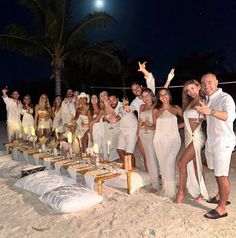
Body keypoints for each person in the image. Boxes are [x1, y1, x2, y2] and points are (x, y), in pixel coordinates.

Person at [196, 73, 236, 219]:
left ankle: (222, 208)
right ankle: (220, 196)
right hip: (212, 141)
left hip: (223, 141)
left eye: (210, 82)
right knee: (214, 170)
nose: (206, 86)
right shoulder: (208, 99)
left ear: (217, 82)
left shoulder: (225, 98)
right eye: (203, 83)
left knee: (221, 175)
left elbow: (229, 116)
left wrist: (209, 111)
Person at [174, 80, 209, 203]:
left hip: (197, 137)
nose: (190, 92)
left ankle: (181, 192)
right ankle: (201, 192)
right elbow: (188, 122)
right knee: (195, 165)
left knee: (181, 163)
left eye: (193, 88)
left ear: (199, 87)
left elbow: (207, 115)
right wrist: (174, 127)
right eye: (188, 90)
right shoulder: (190, 103)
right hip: (189, 137)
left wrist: (204, 116)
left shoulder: (203, 101)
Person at [153, 88, 182, 198]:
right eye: (161, 95)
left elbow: (188, 119)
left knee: (170, 162)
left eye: (165, 94)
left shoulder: (176, 108)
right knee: (163, 164)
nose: (163, 96)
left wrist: (177, 127)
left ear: (169, 95)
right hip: (159, 140)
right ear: (158, 97)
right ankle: (167, 188)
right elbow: (155, 126)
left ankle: (171, 191)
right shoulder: (156, 110)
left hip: (174, 140)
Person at [138, 88, 159, 193]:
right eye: (143, 96)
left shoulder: (155, 107)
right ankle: (151, 178)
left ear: (151, 95)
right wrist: (137, 134)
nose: (145, 98)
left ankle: (155, 185)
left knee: (151, 158)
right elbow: (139, 121)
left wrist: (149, 127)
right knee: (145, 157)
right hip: (142, 134)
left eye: (147, 96)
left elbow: (157, 125)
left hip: (151, 134)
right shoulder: (142, 107)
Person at [116, 97, 138, 166]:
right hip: (122, 130)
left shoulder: (122, 106)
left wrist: (128, 109)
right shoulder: (113, 107)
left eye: (113, 100)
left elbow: (122, 113)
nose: (112, 102)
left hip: (132, 130)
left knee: (129, 153)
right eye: (110, 100)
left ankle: (133, 171)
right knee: (119, 149)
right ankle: (127, 166)